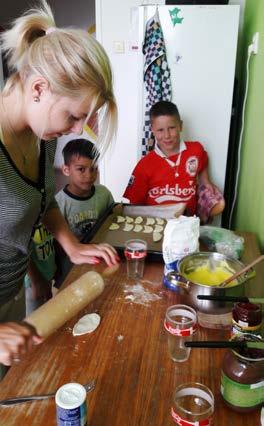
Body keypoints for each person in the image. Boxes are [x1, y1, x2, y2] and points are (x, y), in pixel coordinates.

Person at [0, 0, 118, 371]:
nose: (73, 130)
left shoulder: (42, 134)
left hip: (10, 295)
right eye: (73, 117)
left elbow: (43, 200)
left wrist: (73, 245)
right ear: (38, 88)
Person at [123, 101, 224, 223]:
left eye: (171, 128)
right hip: (157, 226)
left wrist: (205, 180)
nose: (167, 135)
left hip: (188, 224)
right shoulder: (144, 165)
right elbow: (135, 205)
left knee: (220, 204)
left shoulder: (196, 150)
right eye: (160, 130)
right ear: (153, 130)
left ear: (180, 126)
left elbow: (203, 160)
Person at [55, 138, 115, 285]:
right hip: (70, 268)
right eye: (81, 169)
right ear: (66, 169)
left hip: (100, 260)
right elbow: (56, 246)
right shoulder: (58, 204)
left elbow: (113, 223)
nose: (89, 175)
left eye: (94, 168)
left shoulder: (104, 194)